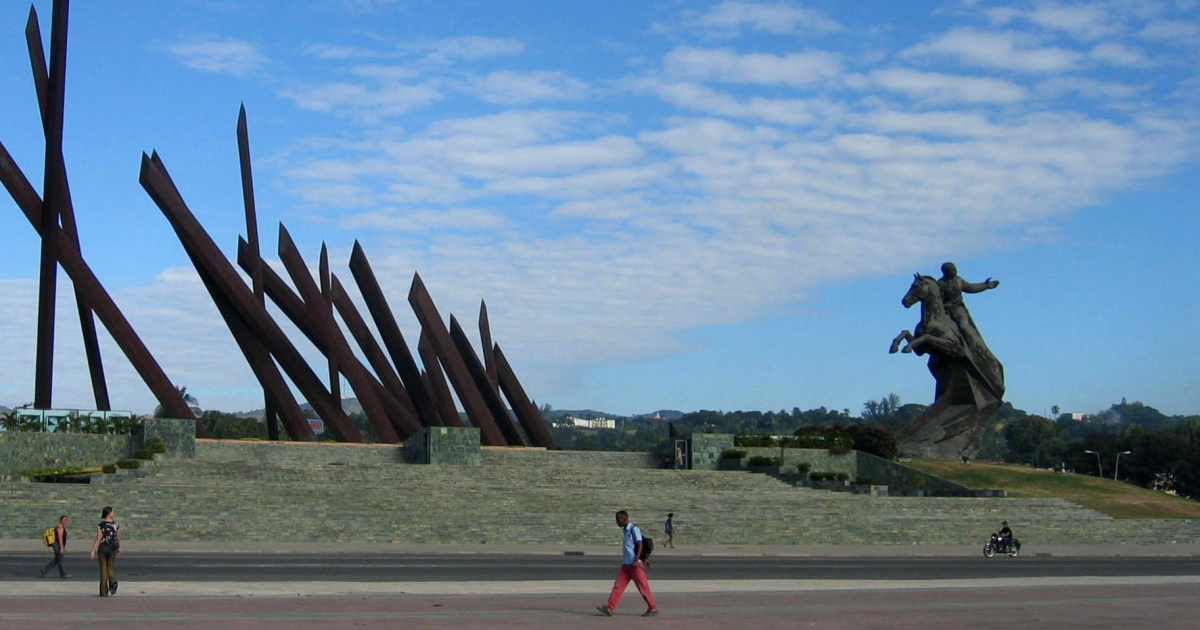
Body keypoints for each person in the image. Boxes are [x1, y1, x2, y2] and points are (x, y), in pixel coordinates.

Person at [597, 510, 658, 617]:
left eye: (617, 519)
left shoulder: (634, 529)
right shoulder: (625, 531)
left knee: (643, 587)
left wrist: (638, 560)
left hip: (635, 565)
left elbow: (640, 544)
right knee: (618, 586)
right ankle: (610, 608)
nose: (616, 521)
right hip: (626, 565)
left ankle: (653, 608)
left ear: (624, 519)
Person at [89, 506, 121, 597]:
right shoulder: (116, 525)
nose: (114, 513)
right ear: (109, 513)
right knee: (110, 567)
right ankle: (113, 581)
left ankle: (103, 592)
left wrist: (93, 550)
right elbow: (118, 537)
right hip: (113, 548)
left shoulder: (101, 525)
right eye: (113, 512)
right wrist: (118, 547)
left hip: (103, 547)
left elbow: (98, 538)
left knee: (103, 569)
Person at [39, 515, 71, 579]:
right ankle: (63, 574)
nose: (65, 521)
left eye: (66, 520)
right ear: (60, 520)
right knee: (60, 560)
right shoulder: (60, 528)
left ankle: (44, 570)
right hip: (58, 545)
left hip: (58, 545)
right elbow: (60, 538)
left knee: (57, 560)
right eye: (64, 520)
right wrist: (62, 547)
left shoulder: (61, 527)